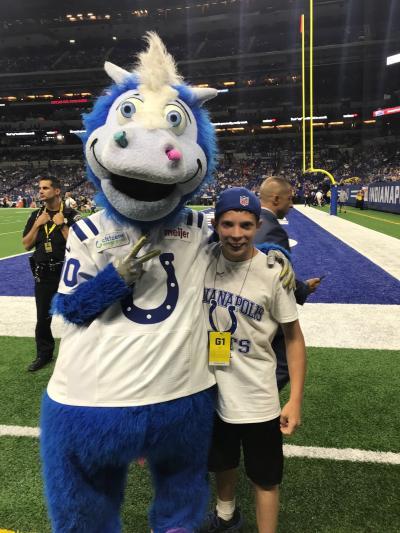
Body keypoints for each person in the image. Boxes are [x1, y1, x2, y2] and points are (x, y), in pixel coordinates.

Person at [201, 187, 307, 533]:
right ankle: (227, 514)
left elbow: (293, 338)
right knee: (222, 463)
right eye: (228, 224)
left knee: (265, 479)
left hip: (258, 399)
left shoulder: (273, 272)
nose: (236, 234)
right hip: (211, 392)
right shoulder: (201, 260)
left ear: (257, 225)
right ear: (215, 223)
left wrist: (294, 399)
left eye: (246, 225)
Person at [254, 176, 320, 390]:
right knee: (284, 363)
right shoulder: (273, 230)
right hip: (264, 307)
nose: (291, 204)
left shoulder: (248, 223)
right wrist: (303, 289)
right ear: (275, 198)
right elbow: (276, 275)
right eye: (289, 199)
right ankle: (260, 406)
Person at [22, 176, 80, 372]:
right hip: (44, 275)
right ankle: (44, 354)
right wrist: (38, 225)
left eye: (45, 188)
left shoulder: (72, 214)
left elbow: (80, 245)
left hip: (68, 273)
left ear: (57, 191)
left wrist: (63, 225)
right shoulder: (36, 215)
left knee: (76, 313)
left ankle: (79, 354)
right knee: (43, 318)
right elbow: (26, 244)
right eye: (40, 188)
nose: (40, 191)